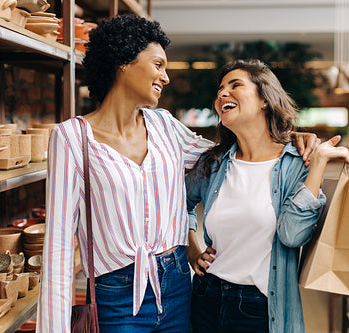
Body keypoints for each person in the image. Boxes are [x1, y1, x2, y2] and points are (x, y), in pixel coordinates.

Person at [36, 15, 320, 332]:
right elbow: (58, 250)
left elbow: (236, 153)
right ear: (123, 63)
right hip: (116, 294)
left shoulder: (165, 127)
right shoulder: (71, 139)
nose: (166, 77)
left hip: (178, 288)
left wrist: (291, 141)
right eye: (158, 65)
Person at [186, 59, 349, 333]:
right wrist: (192, 248)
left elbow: (292, 235)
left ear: (264, 99)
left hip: (258, 307)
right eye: (220, 89)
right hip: (205, 296)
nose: (222, 94)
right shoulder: (213, 163)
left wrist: (318, 164)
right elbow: (178, 204)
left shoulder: (296, 163)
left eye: (235, 85)